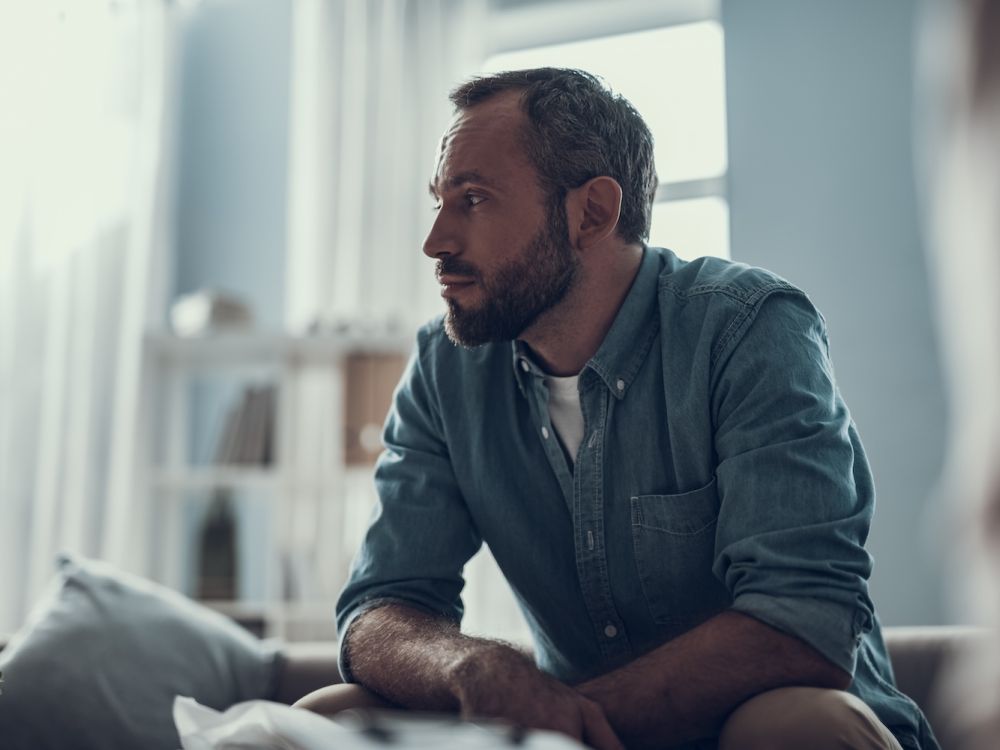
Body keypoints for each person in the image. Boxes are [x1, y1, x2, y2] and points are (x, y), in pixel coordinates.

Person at [296, 68, 938, 750]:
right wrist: (470, 666)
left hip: (750, 722)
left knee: (799, 729)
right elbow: (378, 609)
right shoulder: (444, 365)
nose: (436, 242)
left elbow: (801, 621)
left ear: (592, 213)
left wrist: (564, 719)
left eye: (474, 199)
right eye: (439, 202)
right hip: (573, 734)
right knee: (327, 713)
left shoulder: (748, 327)